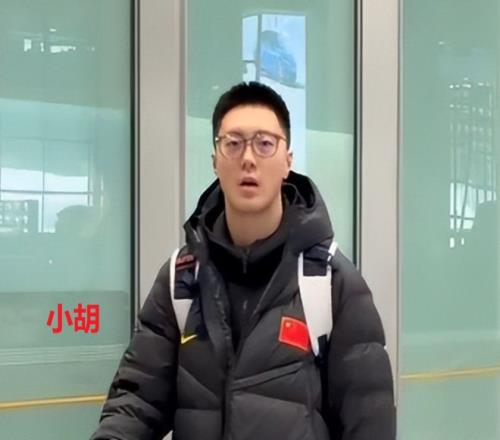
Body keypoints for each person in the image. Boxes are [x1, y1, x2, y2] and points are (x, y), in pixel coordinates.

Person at [90, 81, 395, 440]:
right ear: (215, 161)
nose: (248, 159)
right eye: (233, 143)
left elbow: (369, 420)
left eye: (265, 143)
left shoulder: (329, 282)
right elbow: (137, 400)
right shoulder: (182, 280)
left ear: (287, 162)